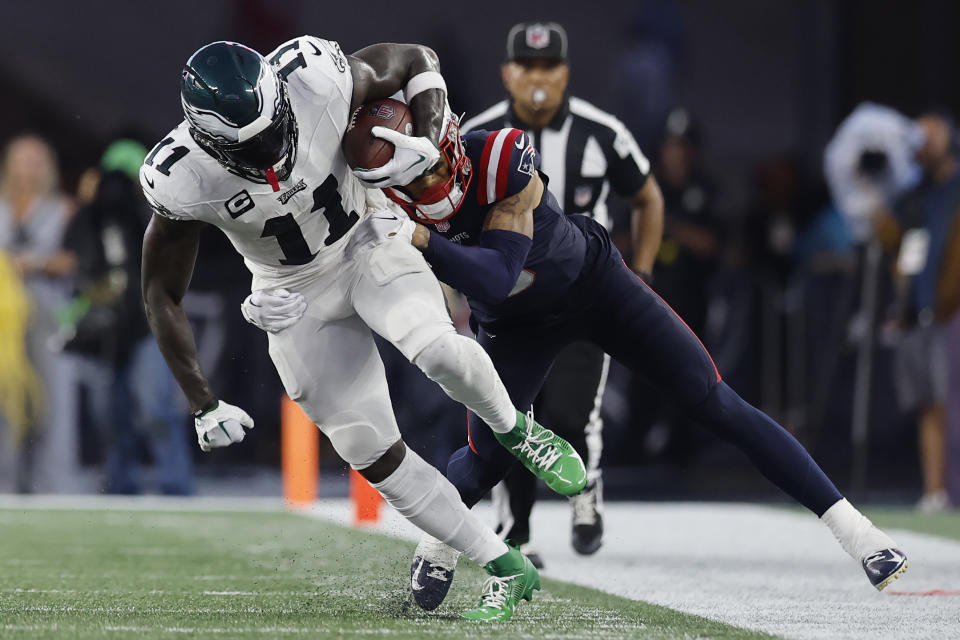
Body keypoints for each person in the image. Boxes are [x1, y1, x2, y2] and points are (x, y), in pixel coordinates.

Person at [293, 111, 907, 613]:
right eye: (417, 190)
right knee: (484, 462)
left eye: (435, 173)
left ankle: (860, 535)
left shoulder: (498, 157)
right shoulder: (378, 206)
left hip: (595, 284)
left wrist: (423, 236)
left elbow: (500, 270)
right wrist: (287, 291)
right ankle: (438, 541)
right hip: (515, 328)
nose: (434, 192)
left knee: (713, 400)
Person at [140, 37, 589, 622]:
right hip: (292, 290)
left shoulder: (312, 77)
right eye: (251, 145)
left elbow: (416, 59)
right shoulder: (180, 175)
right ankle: (503, 562)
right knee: (367, 450)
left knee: (437, 351)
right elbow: (160, 293)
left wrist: (426, 142)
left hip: (369, 237)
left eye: (275, 127)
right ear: (207, 138)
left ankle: (516, 431)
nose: (274, 148)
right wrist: (202, 402)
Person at [460, 22, 665, 563]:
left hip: (581, 296)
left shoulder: (602, 132)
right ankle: (515, 532)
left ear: (565, 72)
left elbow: (647, 196)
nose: (538, 78)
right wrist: (454, 292)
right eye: (526, 66)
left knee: (573, 414)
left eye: (549, 66)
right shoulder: (474, 136)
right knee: (511, 419)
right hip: (507, 301)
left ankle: (586, 491)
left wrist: (640, 271)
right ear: (507, 73)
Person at [65, 140, 193, 495]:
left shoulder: (151, 210)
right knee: (108, 414)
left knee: (155, 409)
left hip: (147, 323)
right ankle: (119, 483)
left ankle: (176, 483)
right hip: (104, 327)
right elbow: (74, 251)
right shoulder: (90, 215)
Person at [874, 112, 960, 512]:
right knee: (929, 402)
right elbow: (897, 244)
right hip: (919, 312)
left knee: (949, 401)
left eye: (930, 137)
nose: (922, 145)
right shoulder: (914, 196)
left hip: (952, 312)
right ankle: (936, 490)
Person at [0, 135, 77, 493]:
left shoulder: (63, 208)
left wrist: (33, 263)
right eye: (22, 159)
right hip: (4, 314)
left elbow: (75, 259)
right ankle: (6, 481)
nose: (28, 167)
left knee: (52, 397)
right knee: (6, 396)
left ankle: (50, 484)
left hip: (47, 309)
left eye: (36, 160)